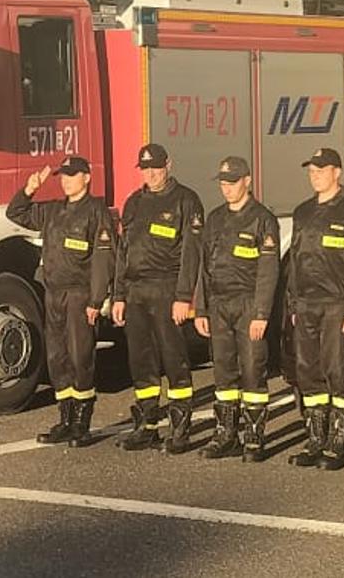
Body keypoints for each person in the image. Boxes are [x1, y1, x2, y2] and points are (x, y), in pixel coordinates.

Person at [7, 156, 117, 447]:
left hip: (80, 294)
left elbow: (103, 259)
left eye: (72, 175)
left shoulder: (96, 212)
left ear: (87, 177)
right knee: (57, 359)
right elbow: (16, 213)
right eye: (63, 176)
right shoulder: (53, 209)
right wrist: (29, 189)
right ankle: (65, 420)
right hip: (54, 293)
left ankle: (82, 423)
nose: (66, 180)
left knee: (81, 357)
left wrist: (96, 300)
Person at [112, 143, 207, 454]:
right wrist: (119, 295)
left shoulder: (185, 201)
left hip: (168, 289)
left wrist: (184, 297)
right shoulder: (134, 203)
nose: (150, 173)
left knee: (174, 360)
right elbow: (122, 254)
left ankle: (181, 428)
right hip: (136, 292)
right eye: (145, 168)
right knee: (141, 362)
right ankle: (148, 425)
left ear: (169, 165)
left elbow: (192, 255)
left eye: (156, 167)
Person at [285, 147, 344, 471]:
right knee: (309, 373)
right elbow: (295, 260)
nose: (315, 175)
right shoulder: (302, 212)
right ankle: (315, 440)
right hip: (307, 305)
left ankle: (338, 443)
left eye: (321, 170)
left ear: (337, 172)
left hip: (338, 305)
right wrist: (293, 302)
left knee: (338, 370)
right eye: (311, 170)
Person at [195, 156, 282, 462]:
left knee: (252, 371)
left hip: (248, 304)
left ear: (247, 181)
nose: (227, 188)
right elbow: (203, 267)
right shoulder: (215, 218)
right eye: (223, 183)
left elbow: (268, 272)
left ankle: (254, 438)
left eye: (232, 182)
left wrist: (261, 314)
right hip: (218, 305)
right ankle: (226, 434)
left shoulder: (262, 219)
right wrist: (201, 309)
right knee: (223, 373)